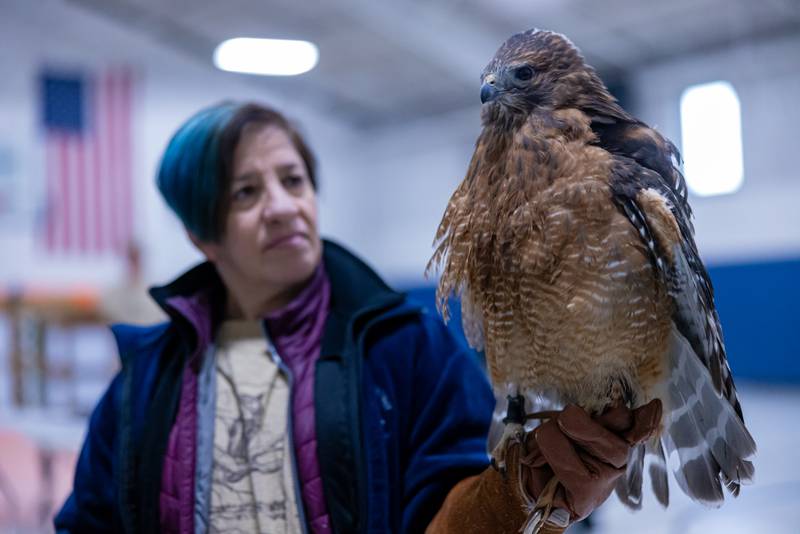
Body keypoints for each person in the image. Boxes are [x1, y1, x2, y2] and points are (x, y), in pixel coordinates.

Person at [54, 101, 659, 534]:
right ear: (200, 233)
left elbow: (454, 507)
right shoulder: (142, 383)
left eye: (293, 180)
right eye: (245, 193)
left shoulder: (406, 348)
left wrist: (516, 499)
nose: (284, 207)